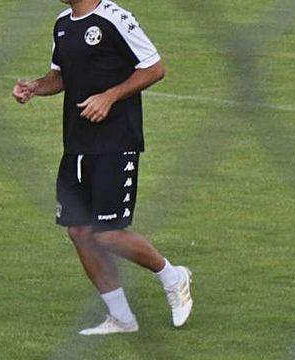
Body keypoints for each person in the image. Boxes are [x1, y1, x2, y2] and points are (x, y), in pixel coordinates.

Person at [13, 0, 192, 335]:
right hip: (77, 145)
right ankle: (122, 318)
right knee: (79, 231)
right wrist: (35, 88)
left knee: (107, 234)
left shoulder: (115, 19)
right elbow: (61, 77)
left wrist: (110, 96)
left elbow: (154, 68)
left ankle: (173, 276)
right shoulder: (62, 24)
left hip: (116, 143)